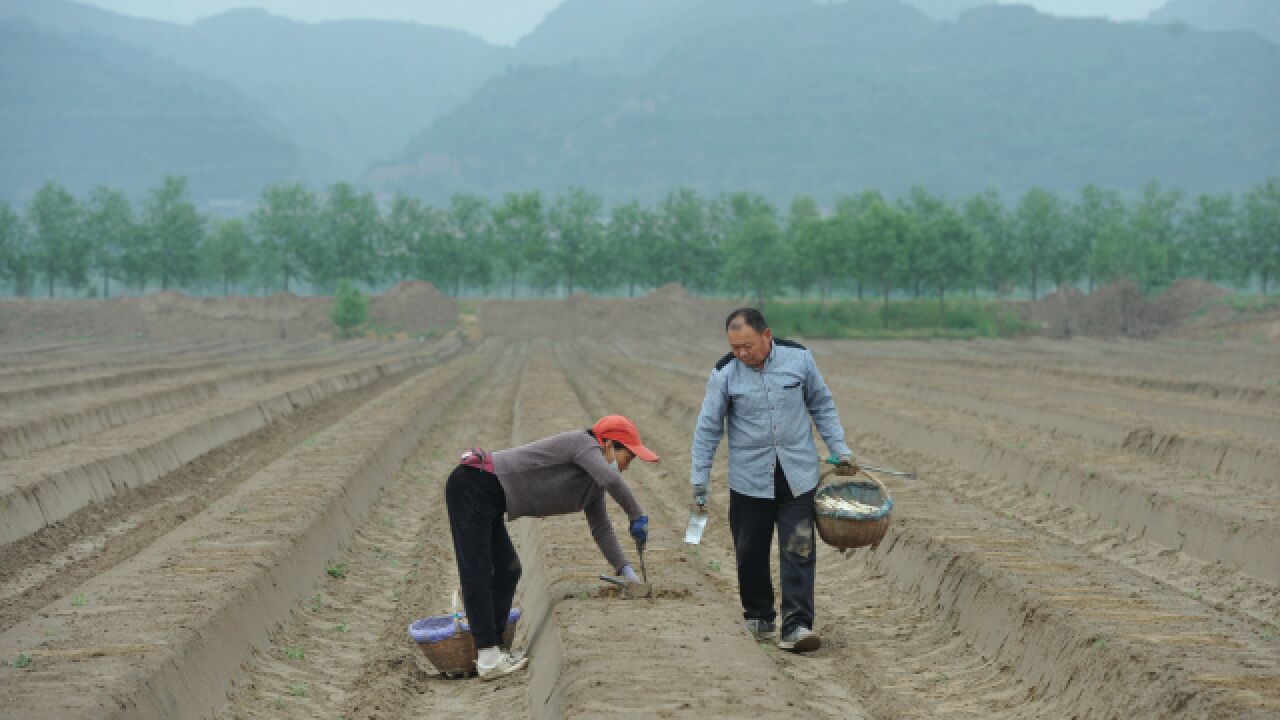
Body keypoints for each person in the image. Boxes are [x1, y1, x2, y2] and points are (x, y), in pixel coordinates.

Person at [690, 308, 858, 653]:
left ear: (766, 335)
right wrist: (699, 479)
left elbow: (822, 405)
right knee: (749, 552)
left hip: (797, 476)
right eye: (735, 347)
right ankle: (759, 615)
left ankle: (797, 625)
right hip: (749, 480)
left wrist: (839, 449)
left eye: (747, 345)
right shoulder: (725, 374)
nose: (741, 354)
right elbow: (708, 429)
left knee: (799, 549)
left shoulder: (799, 359)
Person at [444, 414, 659, 680]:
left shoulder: (592, 485)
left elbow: (601, 529)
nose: (628, 466)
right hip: (473, 484)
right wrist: (636, 515)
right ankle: (488, 657)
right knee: (478, 570)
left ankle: (495, 649)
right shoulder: (583, 445)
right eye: (630, 457)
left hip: (490, 499)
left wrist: (626, 571)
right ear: (607, 446)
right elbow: (612, 481)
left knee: (508, 570)